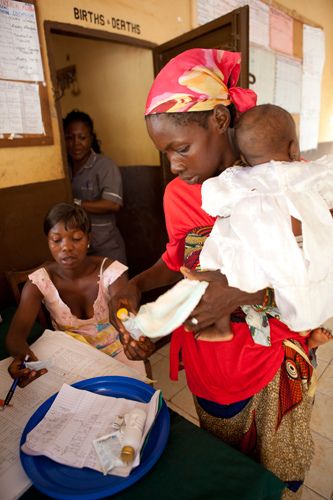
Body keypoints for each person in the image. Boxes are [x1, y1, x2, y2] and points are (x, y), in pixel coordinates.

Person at [109, 48, 320, 498]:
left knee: (279, 475)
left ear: (220, 120)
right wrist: (137, 287)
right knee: (226, 472)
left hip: (275, 359)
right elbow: (177, 260)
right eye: (165, 154)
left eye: (181, 148)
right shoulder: (177, 196)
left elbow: (318, 265)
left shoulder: (285, 180)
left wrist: (242, 294)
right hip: (213, 363)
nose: (174, 164)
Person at [198, 104, 333, 344]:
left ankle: (222, 327)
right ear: (294, 148)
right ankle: (306, 325)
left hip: (260, 252)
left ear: (242, 158)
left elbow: (214, 201)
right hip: (304, 245)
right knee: (310, 281)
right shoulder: (306, 172)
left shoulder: (240, 179)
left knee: (219, 267)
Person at [6, 203, 144, 387]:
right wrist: (25, 359)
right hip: (74, 362)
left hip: (120, 354)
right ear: (48, 241)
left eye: (76, 238)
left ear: (88, 239)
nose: (66, 247)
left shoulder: (111, 272)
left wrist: (134, 336)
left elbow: (126, 317)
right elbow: (16, 335)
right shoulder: (39, 282)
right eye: (56, 240)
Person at [63, 110, 127, 264]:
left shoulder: (105, 166)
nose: (76, 143)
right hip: (77, 247)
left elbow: (113, 204)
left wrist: (76, 204)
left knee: (115, 286)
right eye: (70, 138)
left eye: (82, 137)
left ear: (91, 139)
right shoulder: (63, 168)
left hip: (105, 246)